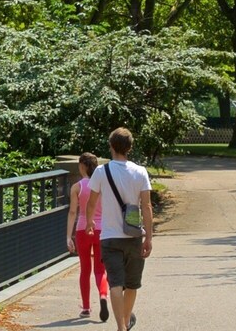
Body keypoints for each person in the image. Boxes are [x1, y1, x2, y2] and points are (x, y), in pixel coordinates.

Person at [85, 128, 154, 331]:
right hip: (133, 236)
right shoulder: (140, 172)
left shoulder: (101, 172)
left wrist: (90, 222)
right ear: (130, 148)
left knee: (115, 283)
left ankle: (121, 327)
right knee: (132, 285)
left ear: (111, 146)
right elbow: (147, 207)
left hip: (109, 237)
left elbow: (91, 202)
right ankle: (124, 322)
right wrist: (148, 237)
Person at [64, 153, 111, 321]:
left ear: (82, 166)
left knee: (85, 270)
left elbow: (72, 212)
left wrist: (68, 237)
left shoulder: (77, 187)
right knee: (100, 270)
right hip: (101, 230)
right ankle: (103, 296)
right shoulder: (103, 186)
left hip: (83, 230)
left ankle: (85, 307)